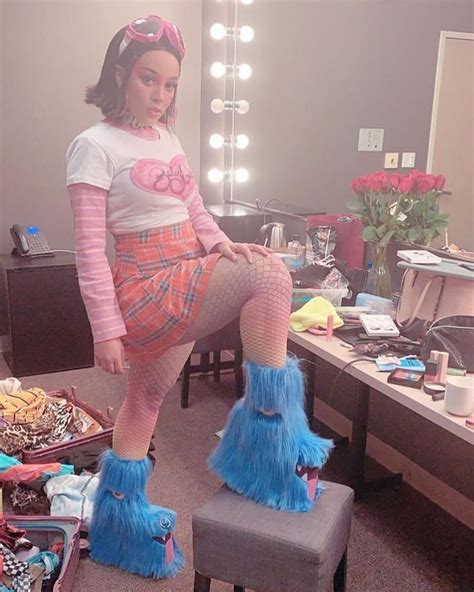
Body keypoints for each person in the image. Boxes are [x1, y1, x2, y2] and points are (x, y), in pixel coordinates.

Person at [66, 15, 332, 580]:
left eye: (170, 84)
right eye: (148, 79)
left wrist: (219, 243)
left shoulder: (167, 137)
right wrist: (105, 327)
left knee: (145, 401)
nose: (160, 95)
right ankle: (265, 452)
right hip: (144, 287)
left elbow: (193, 210)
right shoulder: (92, 145)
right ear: (119, 75)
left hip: (185, 269)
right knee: (271, 276)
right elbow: (90, 251)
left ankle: (119, 526)